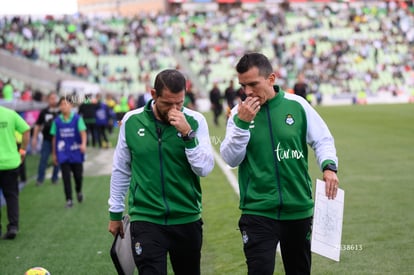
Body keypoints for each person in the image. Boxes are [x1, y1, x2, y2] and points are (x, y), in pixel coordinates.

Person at [220, 53, 339, 275]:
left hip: (298, 209)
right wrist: (242, 125)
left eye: (253, 84)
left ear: (271, 78)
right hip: (257, 211)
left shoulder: (298, 105)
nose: (247, 92)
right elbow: (230, 158)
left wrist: (329, 167)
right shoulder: (238, 114)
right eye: (243, 86)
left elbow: (322, 140)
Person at [108, 69, 214, 275]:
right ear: (153, 94)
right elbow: (121, 169)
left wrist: (187, 135)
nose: (174, 109)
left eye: (179, 103)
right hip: (146, 219)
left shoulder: (196, 121)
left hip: (187, 218)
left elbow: (204, 169)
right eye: (167, 103)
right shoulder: (131, 121)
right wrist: (115, 213)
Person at [51, 96, 87, 208]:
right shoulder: (56, 121)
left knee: (78, 176)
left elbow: (83, 133)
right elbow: (54, 138)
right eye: (61, 104)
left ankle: (79, 191)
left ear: (71, 106)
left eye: (66, 104)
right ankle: (69, 199)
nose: (64, 106)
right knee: (65, 177)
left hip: (76, 152)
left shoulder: (77, 119)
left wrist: (84, 144)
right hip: (63, 153)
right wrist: (54, 154)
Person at [0, 106, 30, 239]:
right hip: (11, 162)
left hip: (8, 163)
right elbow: (26, 130)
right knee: (11, 195)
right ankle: (13, 226)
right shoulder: (10, 114)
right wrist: (22, 150)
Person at [32, 91, 60, 186]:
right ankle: (40, 179)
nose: (53, 100)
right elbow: (37, 125)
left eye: (55, 98)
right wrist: (35, 138)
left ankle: (55, 178)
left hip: (58, 141)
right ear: (48, 99)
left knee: (57, 160)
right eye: (51, 98)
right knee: (43, 159)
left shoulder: (60, 111)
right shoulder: (44, 112)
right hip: (47, 140)